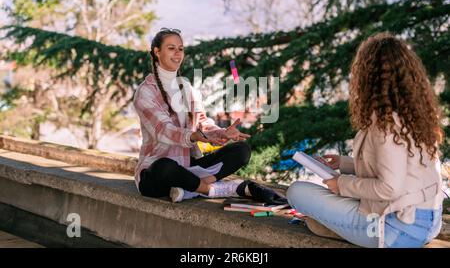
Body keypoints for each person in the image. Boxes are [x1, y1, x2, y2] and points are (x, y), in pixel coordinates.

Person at [287, 32, 444, 248]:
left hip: (396, 230)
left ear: (367, 77)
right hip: (427, 223)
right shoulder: (415, 116)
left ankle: (340, 229)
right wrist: (343, 163)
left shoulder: (385, 124)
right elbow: (396, 169)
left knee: (297, 192)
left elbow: (390, 188)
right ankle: (339, 227)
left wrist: (341, 184)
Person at [133, 28, 252, 202]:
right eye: (171, 48)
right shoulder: (146, 92)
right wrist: (192, 136)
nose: (177, 54)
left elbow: (202, 123)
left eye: (180, 49)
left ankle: (189, 189)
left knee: (242, 151)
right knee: (165, 167)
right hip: (156, 174)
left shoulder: (187, 89)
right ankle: (209, 189)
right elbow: (163, 131)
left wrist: (221, 132)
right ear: (157, 52)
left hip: (189, 168)